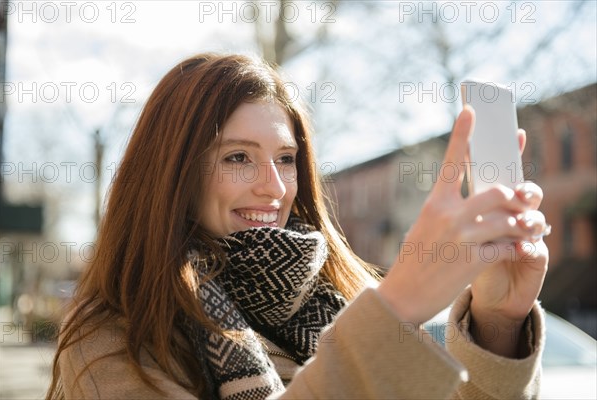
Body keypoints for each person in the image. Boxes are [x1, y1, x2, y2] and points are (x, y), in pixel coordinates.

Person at [46, 53, 549, 399]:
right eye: (238, 156)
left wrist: (499, 321)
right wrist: (394, 309)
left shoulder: (341, 300)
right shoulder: (114, 335)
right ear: (173, 173)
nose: (274, 186)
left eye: (286, 159)